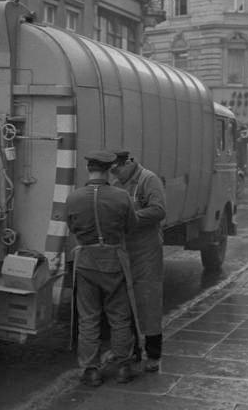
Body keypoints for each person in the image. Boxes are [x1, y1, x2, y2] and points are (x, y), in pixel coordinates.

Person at [66, 150, 138, 387]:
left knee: (88, 318)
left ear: (90, 169)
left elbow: (72, 227)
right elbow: (131, 227)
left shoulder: (74, 198)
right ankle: (123, 367)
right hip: (113, 260)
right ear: (109, 170)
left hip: (86, 261)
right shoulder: (121, 196)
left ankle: (91, 370)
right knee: (119, 317)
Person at [111, 151, 166, 373]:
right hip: (125, 250)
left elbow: (159, 210)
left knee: (148, 301)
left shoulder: (148, 179)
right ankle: (133, 351)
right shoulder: (118, 183)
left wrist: (132, 218)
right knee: (126, 302)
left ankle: (153, 354)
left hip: (147, 251)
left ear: (128, 164)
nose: (114, 175)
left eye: (117, 169)